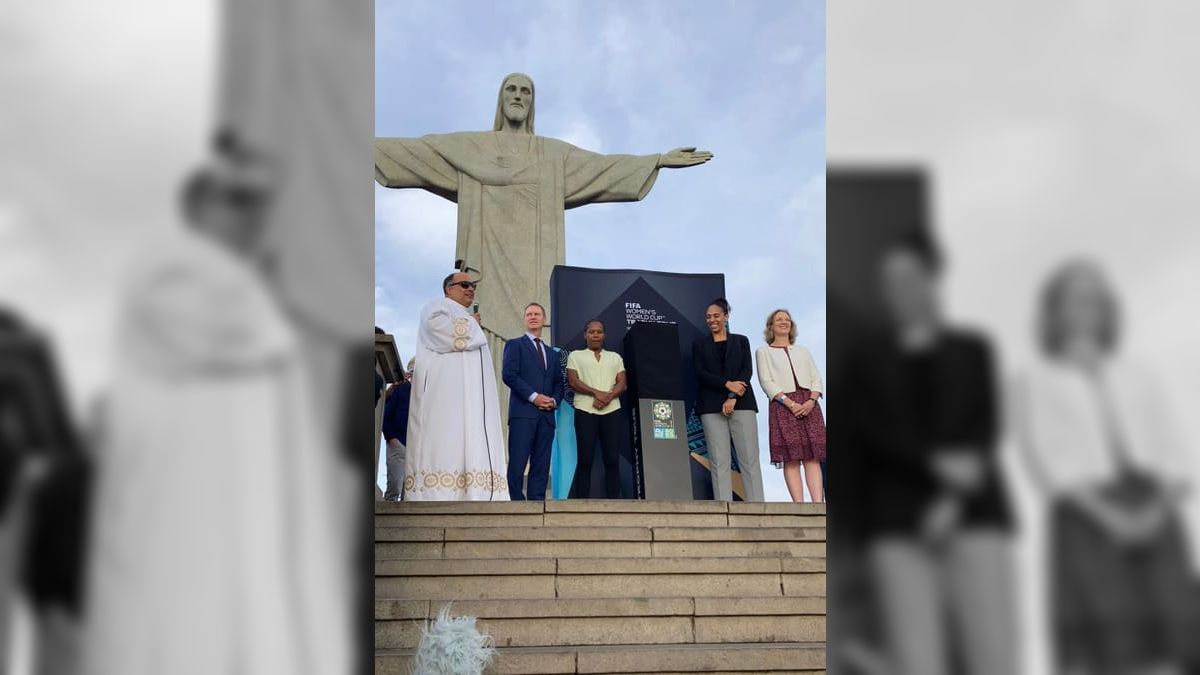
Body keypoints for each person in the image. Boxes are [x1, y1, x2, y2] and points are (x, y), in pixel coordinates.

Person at [84, 155, 351, 675]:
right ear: (202, 208)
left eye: (257, 205)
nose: (253, 217)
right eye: (239, 202)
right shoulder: (173, 270)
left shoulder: (238, 277)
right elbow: (231, 343)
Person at [1015, 260, 1200, 674]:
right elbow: (1047, 458)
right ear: (1056, 310)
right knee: (1111, 652)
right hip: (1088, 519)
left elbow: (1173, 445)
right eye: (1076, 297)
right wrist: (1112, 518)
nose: (1087, 305)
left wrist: (1158, 510)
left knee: (1171, 645)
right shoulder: (1036, 379)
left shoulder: (1140, 373)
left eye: (1096, 296)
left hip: (1157, 512)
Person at [847, 239, 1014, 675]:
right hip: (897, 524)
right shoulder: (865, 361)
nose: (899, 289)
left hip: (975, 516)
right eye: (889, 281)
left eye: (909, 277)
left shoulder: (973, 350)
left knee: (992, 654)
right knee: (917, 659)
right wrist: (933, 464)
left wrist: (951, 502)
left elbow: (985, 426)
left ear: (931, 281)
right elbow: (868, 431)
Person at [403, 272, 508, 501]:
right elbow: (440, 332)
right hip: (445, 392)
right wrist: (473, 324)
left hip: (471, 396)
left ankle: (475, 489)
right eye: (465, 284)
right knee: (447, 437)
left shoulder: (464, 316)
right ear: (448, 288)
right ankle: (440, 492)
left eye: (473, 286)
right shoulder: (437, 306)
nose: (470, 289)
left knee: (470, 437)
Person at [692, 298, 765, 502]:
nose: (712, 320)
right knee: (718, 460)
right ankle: (724, 509)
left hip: (742, 404)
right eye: (708, 317)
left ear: (726, 316)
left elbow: (746, 370)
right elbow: (701, 372)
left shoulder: (741, 341)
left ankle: (758, 508)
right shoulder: (699, 344)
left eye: (716, 315)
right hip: (710, 407)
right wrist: (727, 384)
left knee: (750, 459)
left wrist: (732, 396)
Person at [756, 309, 826, 502]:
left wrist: (811, 401)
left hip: (809, 404)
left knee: (812, 457)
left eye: (787, 319)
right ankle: (799, 505)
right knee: (792, 457)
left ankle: (818, 504)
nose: (784, 322)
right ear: (771, 326)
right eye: (779, 319)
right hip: (783, 406)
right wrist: (790, 403)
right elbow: (766, 381)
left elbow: (816, 378)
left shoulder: (803, 350)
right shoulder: (764, 351)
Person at [502, 303, 563, 501]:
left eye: (537, 314)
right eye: (529, 314)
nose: (533, 317)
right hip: (523, 414)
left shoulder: (553, 354)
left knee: (541, 463)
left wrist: (553, 400)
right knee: (518, 462)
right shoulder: (515, 344)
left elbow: (558, 382)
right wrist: (534, 397)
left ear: (544, 319)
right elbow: (509, 375)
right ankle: (515, 503)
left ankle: (537, 504)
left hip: (546, 416)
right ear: (524, 319)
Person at [566, 320, 627, 499]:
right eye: (591, 332)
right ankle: (582, 503)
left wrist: (607, 397)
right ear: (585, 334)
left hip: (612, 411)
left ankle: (614, 502)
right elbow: (573, 381)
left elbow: (622, 383)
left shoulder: (615, 357)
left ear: (604, 335)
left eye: (599, 332)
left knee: (612, 459)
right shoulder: (575, 356)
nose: (595, 335)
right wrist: (596, 393)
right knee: (585, 459)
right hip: (585, 411)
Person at [381, 358, 414, 501]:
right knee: (394, 486)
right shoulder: (400, 388)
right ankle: (386, 521)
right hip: (398, 443)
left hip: (414, 449)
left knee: (410, 492)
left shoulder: (424, 394)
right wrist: (392, 438)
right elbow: (386, 414)